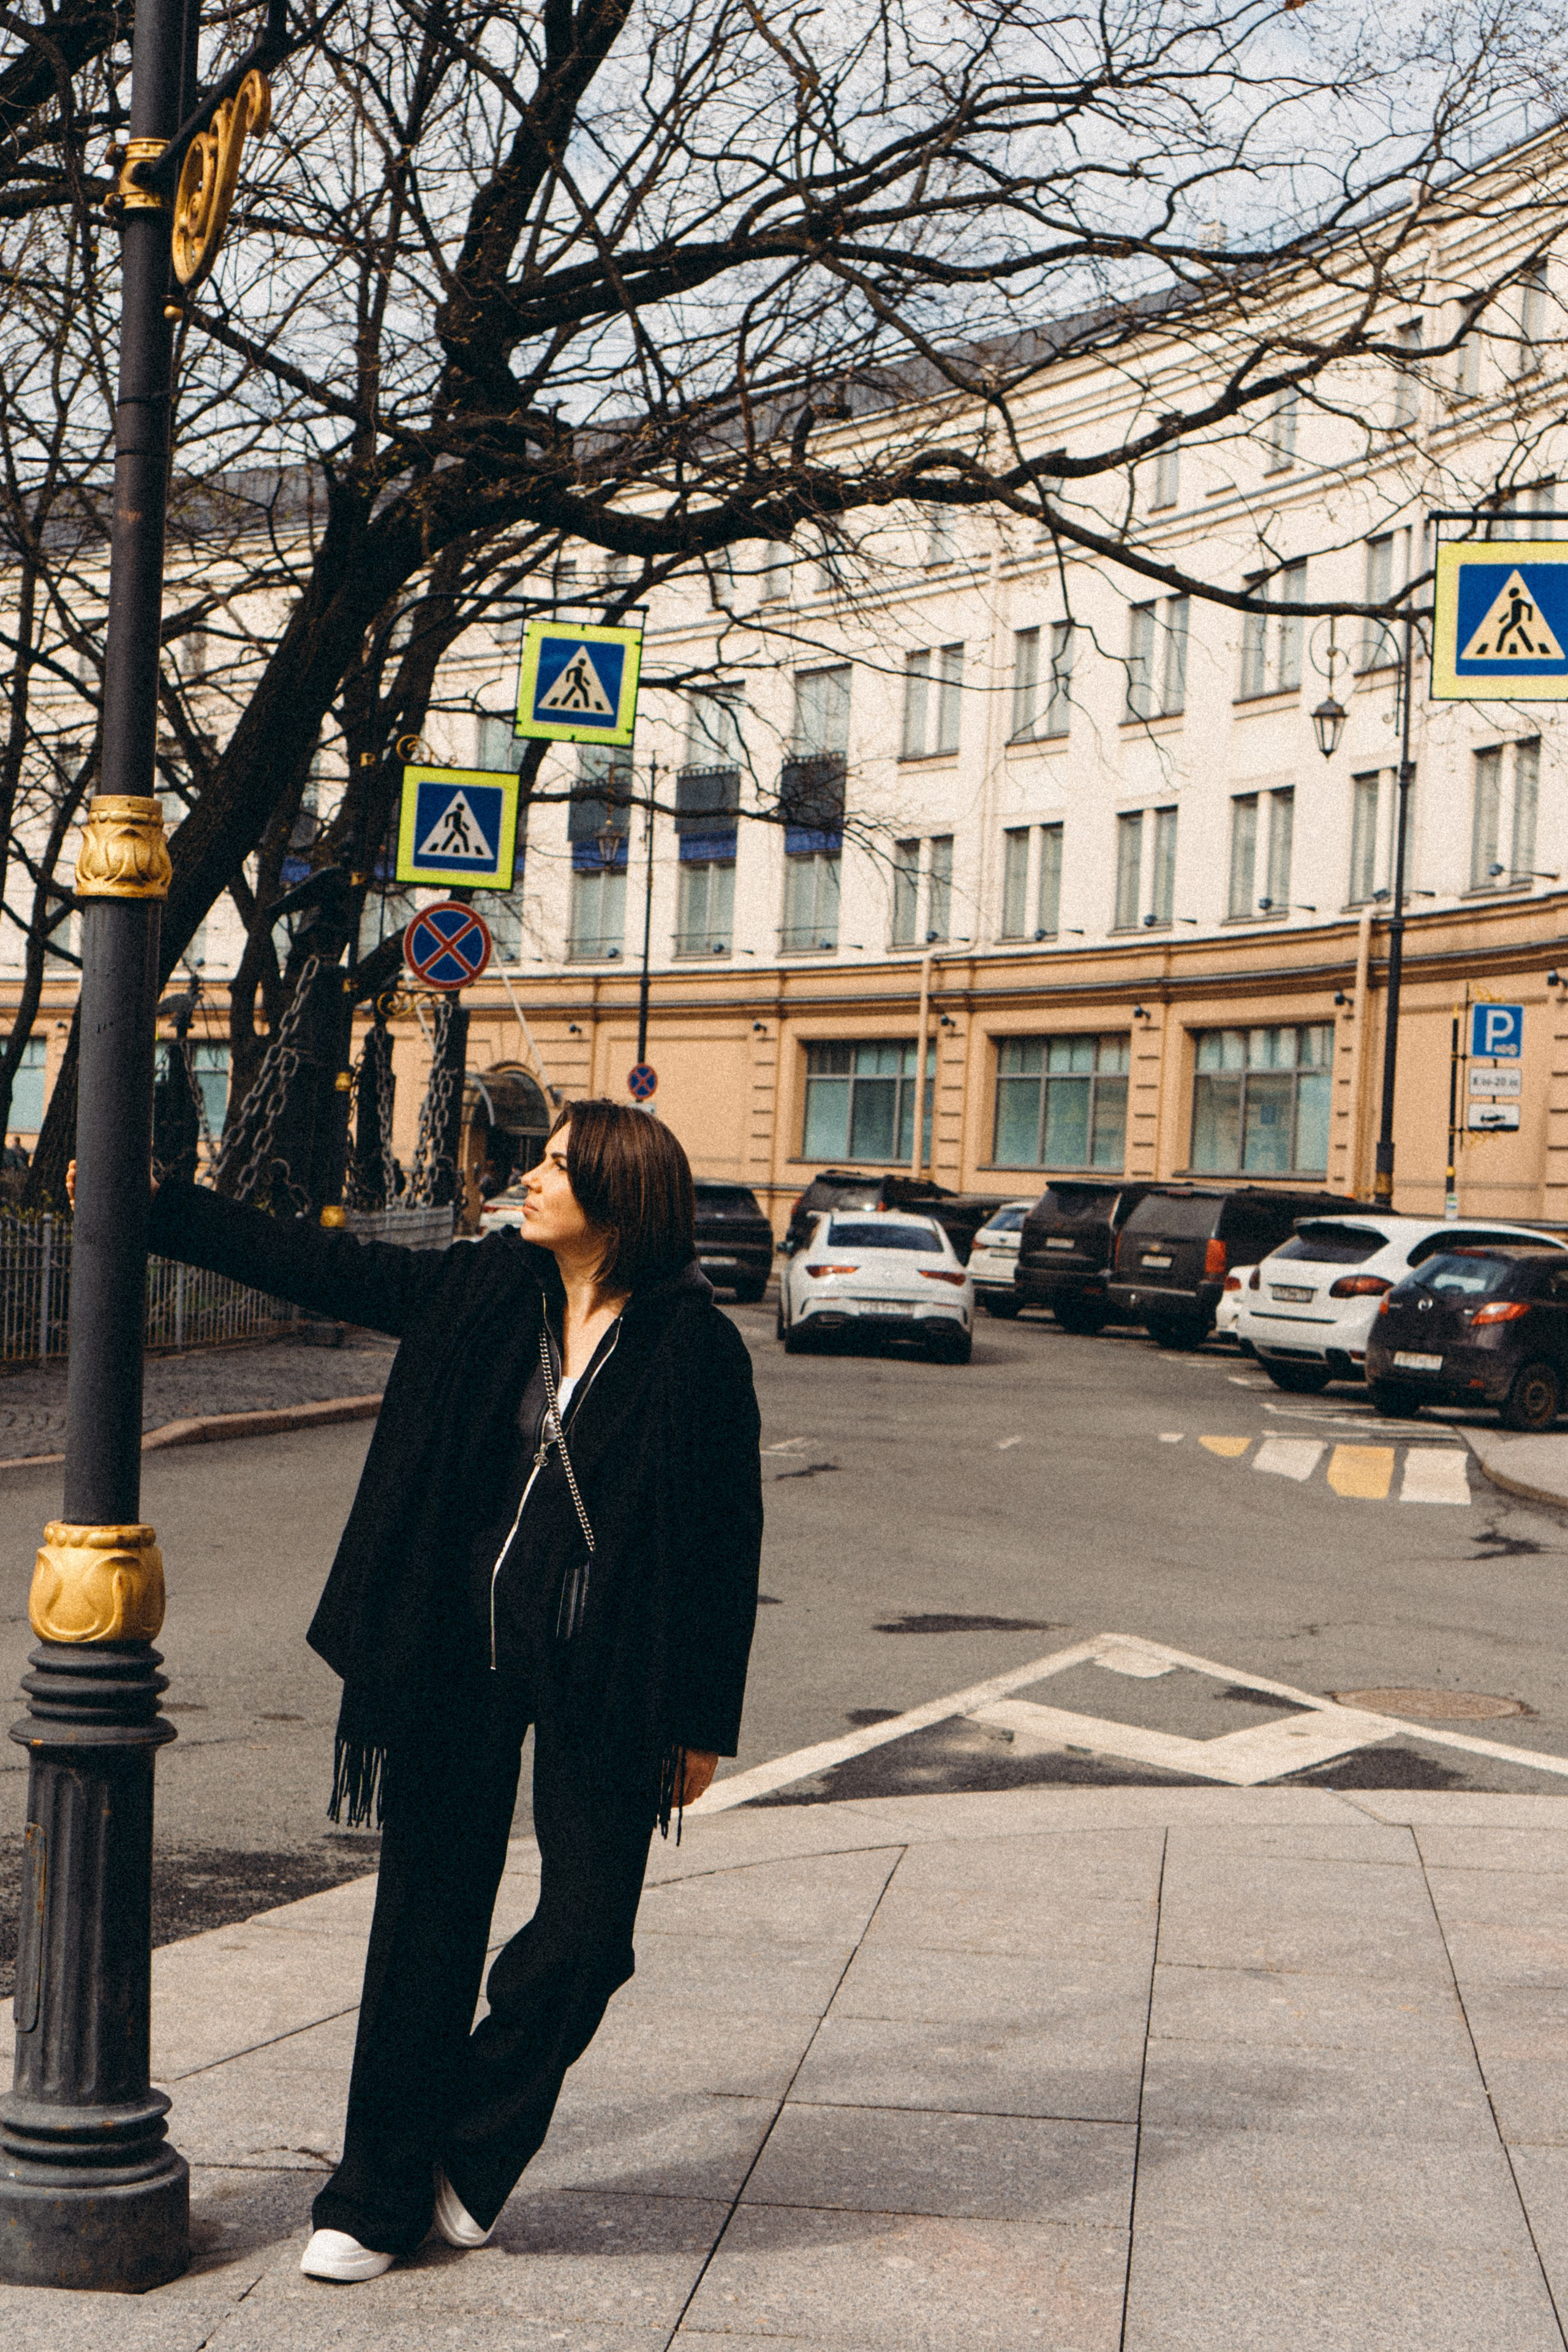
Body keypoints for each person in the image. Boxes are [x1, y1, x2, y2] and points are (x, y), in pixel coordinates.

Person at [137, 1099, 763, 2279]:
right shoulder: (485, 1291)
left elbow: (729, 1543)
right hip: (451, 1651)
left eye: (557, 1168)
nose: (529, 1178)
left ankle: (471, 2152)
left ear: (618, 1202)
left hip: (607, 1675)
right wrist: (154, 1205)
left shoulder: (694, 1348)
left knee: (587, 1934)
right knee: (423, 1922)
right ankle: (375, 2199)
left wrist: (699, 1720)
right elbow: (323, 1264)